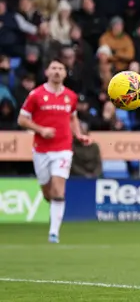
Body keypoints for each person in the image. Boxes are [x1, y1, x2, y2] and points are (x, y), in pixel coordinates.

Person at [17, 59, 92, 244]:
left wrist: (79, 135)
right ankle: (54, 210)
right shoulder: (36, 95)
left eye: (60, 68)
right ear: (47, 72)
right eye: (54, 68)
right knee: (47, 193)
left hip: (63, 148)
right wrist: (41, 130)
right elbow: (21, 120)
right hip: (41, 149)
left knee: (59, 189)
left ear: (65, 73)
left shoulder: (70, 96)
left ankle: (53, 233)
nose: (57, 71)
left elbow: (73, 118)